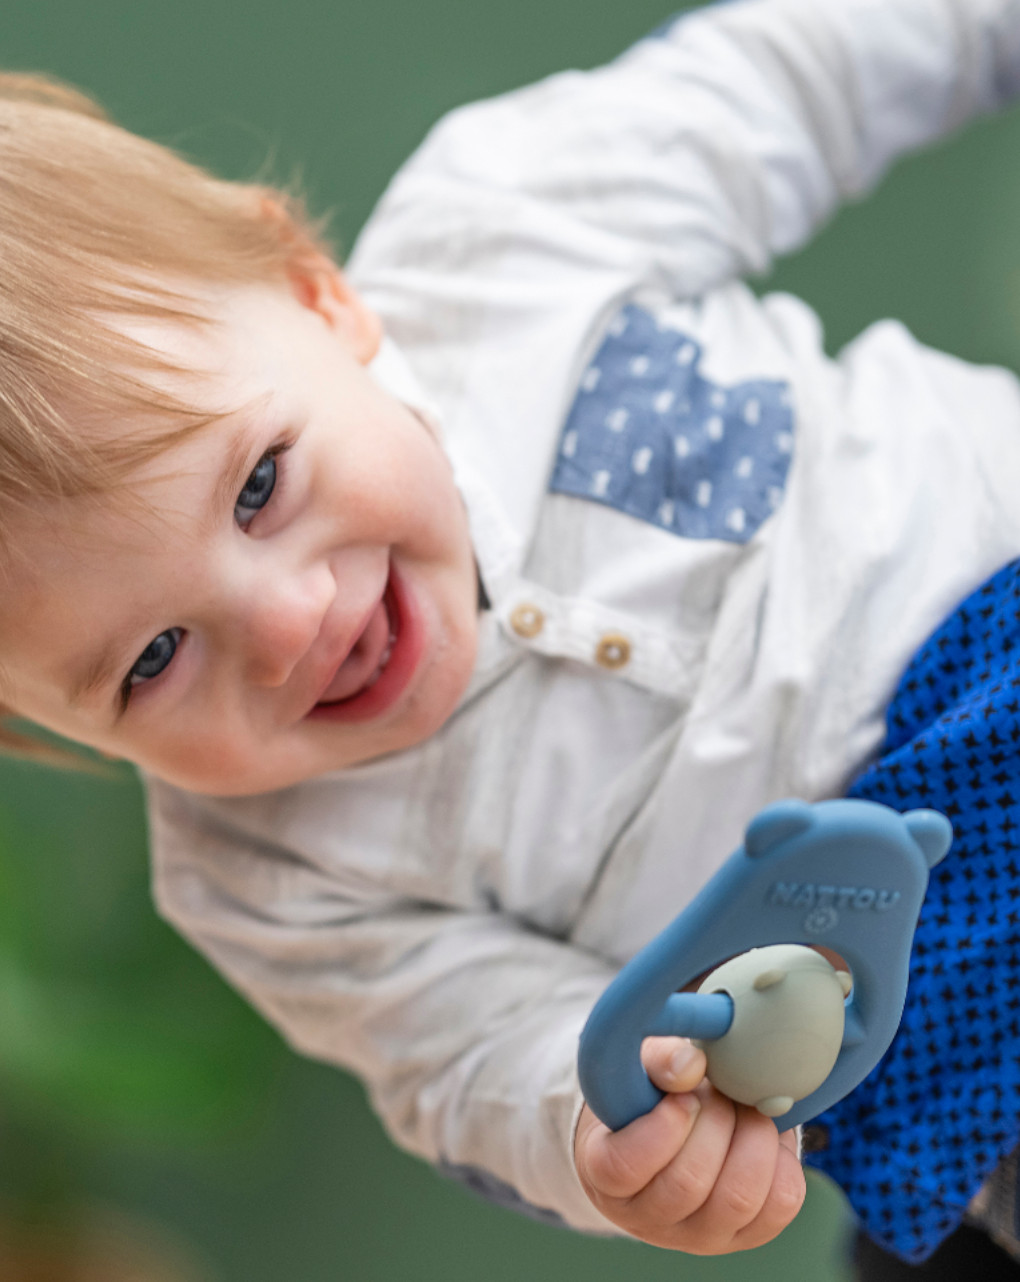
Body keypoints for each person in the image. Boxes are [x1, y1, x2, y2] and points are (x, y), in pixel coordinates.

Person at [2, 0, 1020, 1267]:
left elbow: (804, 74)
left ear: (316, 298)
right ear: (39, 727)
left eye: (260, 483)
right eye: (152, 660)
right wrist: (616, 1127)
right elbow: (479, 1063)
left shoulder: (506, 239)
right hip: (947, 1055)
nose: (284, 627)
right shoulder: (264, 883)